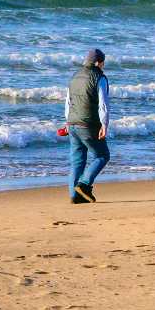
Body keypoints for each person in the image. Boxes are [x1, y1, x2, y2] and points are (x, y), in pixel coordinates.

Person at [65, 48, 111, 203]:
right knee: (102, 155)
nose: (103, 66)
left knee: (77, 161)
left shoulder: (74, 76)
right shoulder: (99, 77)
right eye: (103, 63)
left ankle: (74, 196)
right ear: (98, 62)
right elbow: (103, 105)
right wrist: (104, 124)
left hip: (72, 123)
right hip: (89, 124)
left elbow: (68, 102)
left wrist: (67, 122)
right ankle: (84, 185)